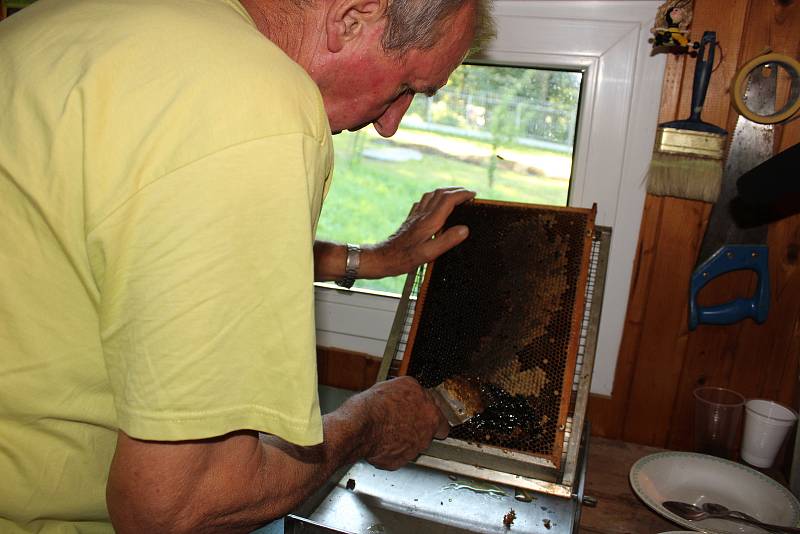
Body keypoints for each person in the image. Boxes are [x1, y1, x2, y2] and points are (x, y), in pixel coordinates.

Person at [0, 0, 495, 532]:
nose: (390, 125)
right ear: (352, 17)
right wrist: (372, 422)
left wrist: (368, 259)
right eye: (406, 87)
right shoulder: (255, 101)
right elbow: (174, 510)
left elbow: (126, 238)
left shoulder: (76, 18)